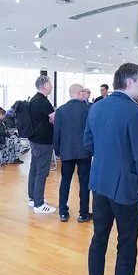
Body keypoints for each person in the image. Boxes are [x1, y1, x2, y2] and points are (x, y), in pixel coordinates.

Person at [85, 63, 138, 275]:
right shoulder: (136, 112)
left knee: (99, 238)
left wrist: (107, 158)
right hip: (126, 190)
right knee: (126, 245)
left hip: (99, 183)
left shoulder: (96, 107)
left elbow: (88, 143)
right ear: (130, 82)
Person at [54, 84, 92, 223]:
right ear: (78, 92)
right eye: (84, 92)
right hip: (85, 152)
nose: (85, 94)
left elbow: (56, 132)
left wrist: (57, 151)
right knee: (84, 183)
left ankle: (63, 212)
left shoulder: (61, 110)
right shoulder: (88, 109)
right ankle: (83, 213)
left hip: (66, 151)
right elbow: (92, 131)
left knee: (65, 181)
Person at [28, 76, 56, 214]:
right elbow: (54, 118)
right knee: (42, 171)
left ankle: (33, 198)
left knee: (34, 168)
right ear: (44, 86)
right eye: (50, 84)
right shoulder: (43, 101)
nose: (52, 86)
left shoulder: (34, 99)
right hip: (43, 141)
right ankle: (39, 204)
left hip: (34, 140)